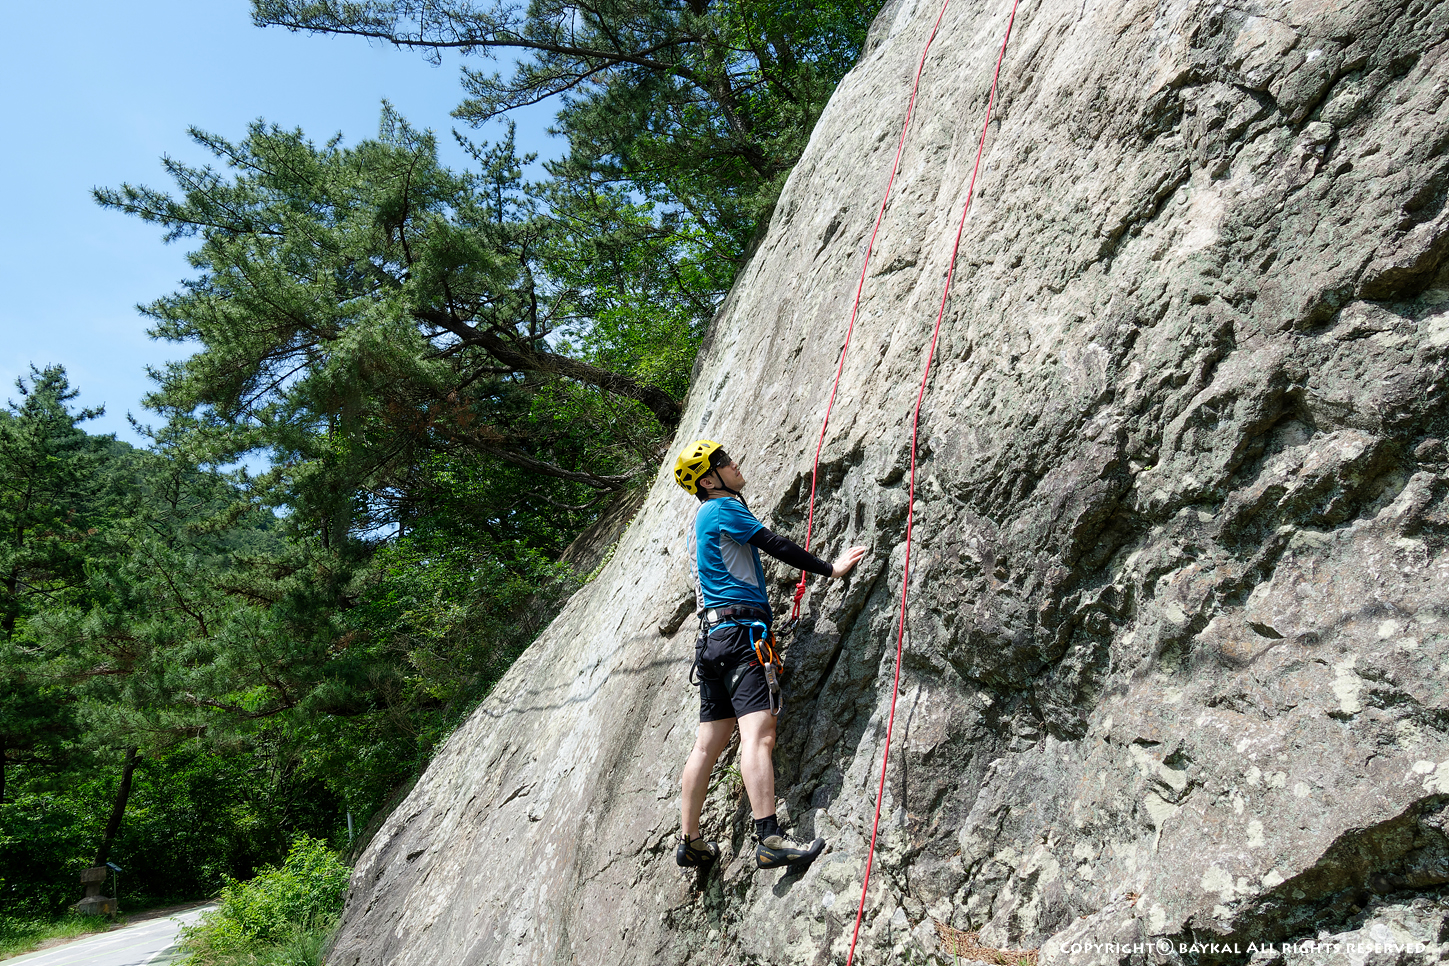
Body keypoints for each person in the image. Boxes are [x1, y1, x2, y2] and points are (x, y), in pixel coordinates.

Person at [672, 439, 868, 874]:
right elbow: (773, 543)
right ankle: (769, 839)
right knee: (758, 736)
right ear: (709, 481)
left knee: (707, 744)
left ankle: (690, 841)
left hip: (711, 642)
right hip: (741, 636)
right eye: (723, 462)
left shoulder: (697, 525)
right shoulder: (722, 508)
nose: (734, 462)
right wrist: (831, 569)